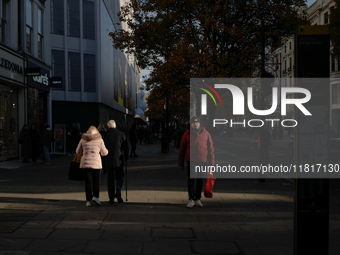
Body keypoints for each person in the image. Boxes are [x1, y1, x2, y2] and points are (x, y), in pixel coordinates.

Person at [178, 116, 215, 208]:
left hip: (202, 161)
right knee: (191, 180)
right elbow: (182, 150)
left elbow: (211, 150)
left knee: (199, 180)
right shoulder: (186, 134)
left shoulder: (206, 134)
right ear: (191, 124)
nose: (195, 124)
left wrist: (211, 164)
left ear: (200, 123)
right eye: (193, 122)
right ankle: (191, 199)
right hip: (191, 160)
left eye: (197, 122)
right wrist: (181, 163)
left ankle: (197, 198)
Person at [76, 126, 108, 207]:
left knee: (88, 182)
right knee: (96, 181)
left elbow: (78, 152)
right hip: (96, 163)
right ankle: (96, 197)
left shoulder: (83, 139)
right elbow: (104, 153)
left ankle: (88, 201)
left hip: (86, 163)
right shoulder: (100, 140)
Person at [102, 120, 129, 204]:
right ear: (115, 126)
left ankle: (111, 197)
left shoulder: (105, 136)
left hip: (108, 160)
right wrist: (126, 157)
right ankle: (118, 191)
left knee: (110, 179)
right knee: (120, 177)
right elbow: (126, 147)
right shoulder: (121, 134)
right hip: (118, 160)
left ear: (108, 126)